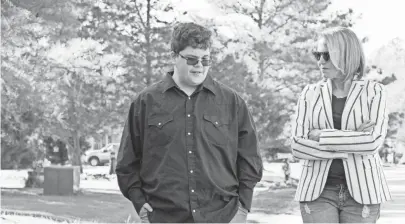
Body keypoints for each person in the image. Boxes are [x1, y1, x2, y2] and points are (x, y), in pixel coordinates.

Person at [115, 22, 263, 223]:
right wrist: (140, 204)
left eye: (206, 59)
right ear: (174, 57)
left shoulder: (231, 102)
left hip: (222, 217)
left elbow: (250, 159)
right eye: (192, 59)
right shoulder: (145, 102)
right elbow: (127, 163)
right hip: (163, 217)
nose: (200, 66)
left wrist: (243, 208)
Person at [291, 27, 391, 223]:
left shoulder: (375, 92)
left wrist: (321, 135)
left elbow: (372, 143)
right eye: (317, 55)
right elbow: (297, 146)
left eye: (326, 55)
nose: (320, 61)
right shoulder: (309, 93)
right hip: (317, 192)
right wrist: (352, 139)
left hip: (363, 193)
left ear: (346, 55)